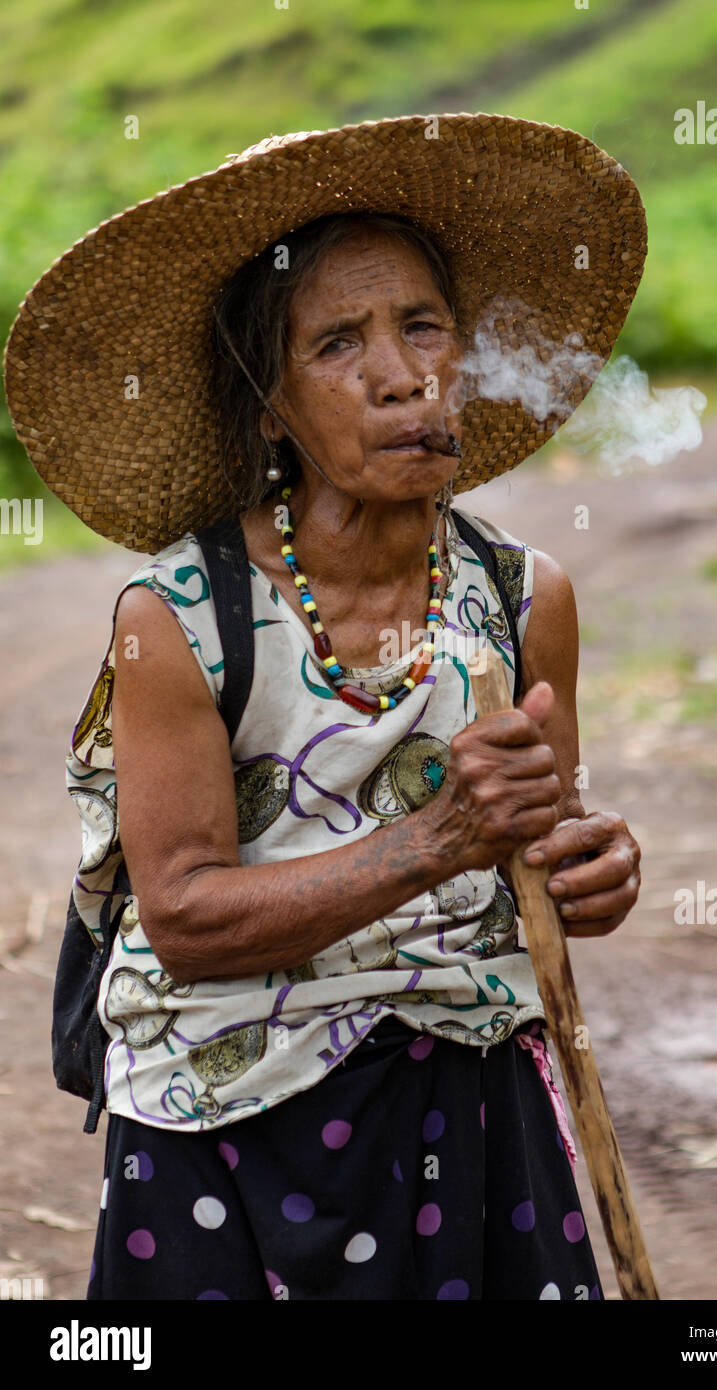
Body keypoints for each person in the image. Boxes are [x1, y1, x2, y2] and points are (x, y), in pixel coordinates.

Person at [4, 113, 646, 1300]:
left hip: (470, 1100)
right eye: (337, 344)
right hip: (230, 1120)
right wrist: (437, 838)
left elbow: (538, 859)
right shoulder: (181, 618)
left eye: (422, 327)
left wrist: (591, 867)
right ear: (268, 408)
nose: (400, 374)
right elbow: (187, 917)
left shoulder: (520, 598)